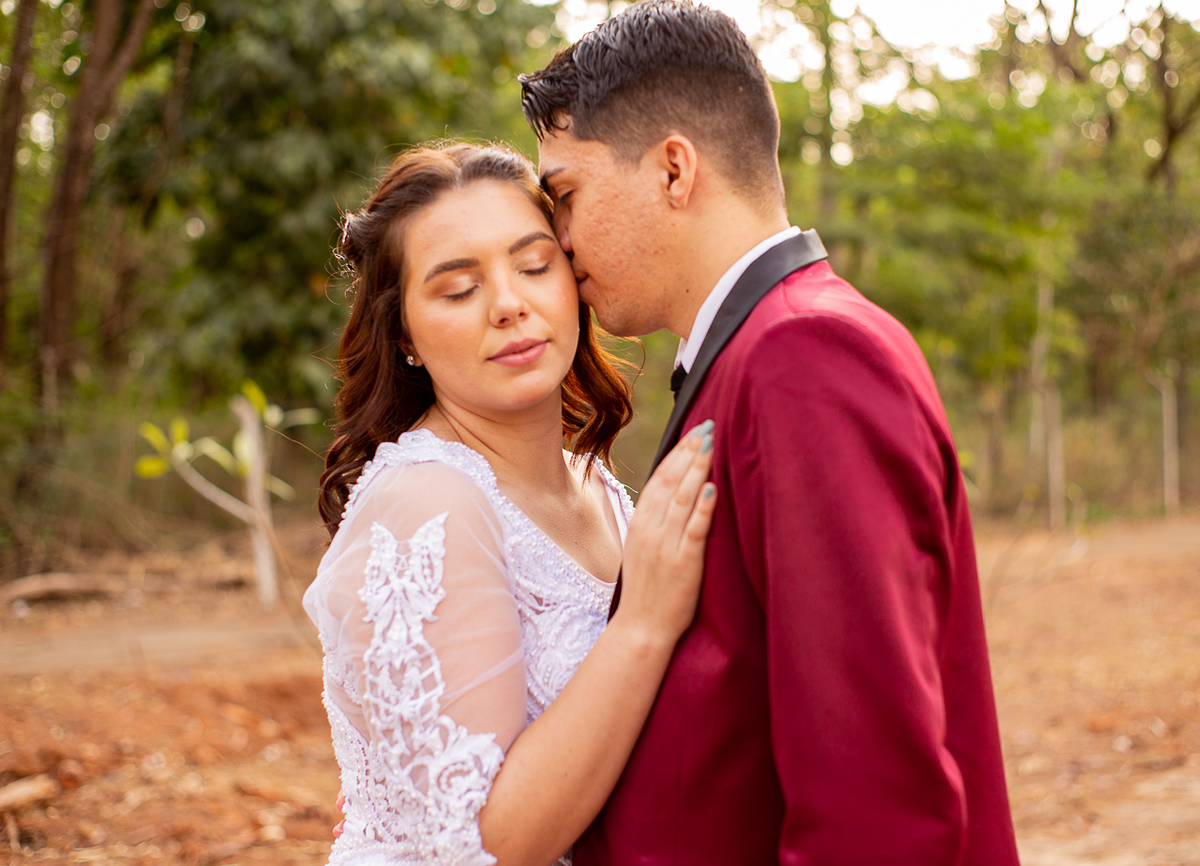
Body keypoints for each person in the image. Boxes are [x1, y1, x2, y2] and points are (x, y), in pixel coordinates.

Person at [518, 1, 1021, 863]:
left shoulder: (805, 356)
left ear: (673, 170)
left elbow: (873, 802)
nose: (559, 242)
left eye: (566, 197)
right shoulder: (767, 347)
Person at [303, 142, 719, 866]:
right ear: (404, 336)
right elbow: (477, 846)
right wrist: (645, 623)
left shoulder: (594, 484)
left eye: (534, 266)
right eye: (459, 289)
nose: (509, 305)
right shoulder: (429, 502)